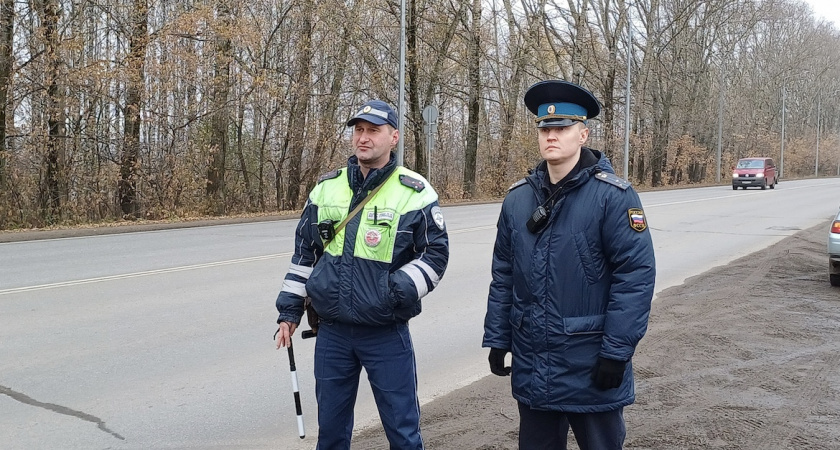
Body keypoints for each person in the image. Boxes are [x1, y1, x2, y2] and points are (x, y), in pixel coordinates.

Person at [482, 80, 656, 450]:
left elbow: (635, 277)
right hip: (534, 363)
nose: (551, 135)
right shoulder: (518, 200)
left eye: (561, 128)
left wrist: (616, 352)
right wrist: (498, 338)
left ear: (583, 134)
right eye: (545, 128)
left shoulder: (613, 197)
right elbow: (504, 274)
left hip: (591, 365)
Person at [274, 99, 449, 449]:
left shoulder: (413, 191)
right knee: (332, 434)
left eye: (373, 130)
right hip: (333, 334)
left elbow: (435, 254)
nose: (363, 138)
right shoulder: (327, 188)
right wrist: (289, 311)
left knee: (403, 431)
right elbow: (304, 254)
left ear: (393, 137)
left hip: (386, 333)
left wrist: (394, 291)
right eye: (359, 130)